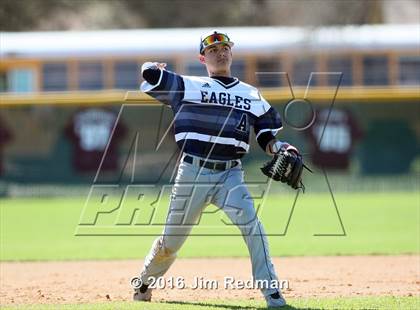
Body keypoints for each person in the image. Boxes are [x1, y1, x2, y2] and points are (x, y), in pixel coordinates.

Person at [134, 30, 299, 308]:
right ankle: (145, 281)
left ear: (231, 54)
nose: (220, 53)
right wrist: (150, 66)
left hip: (229, 175)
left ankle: (272, 293)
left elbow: (266, 137)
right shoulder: (189, 85)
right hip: (192, 172)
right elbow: (150, 75)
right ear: (203, 58)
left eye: (225, 48)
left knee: (253, 228)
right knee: (171, 243)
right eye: (213, 50)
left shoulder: (251, 94)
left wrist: (281, 147)